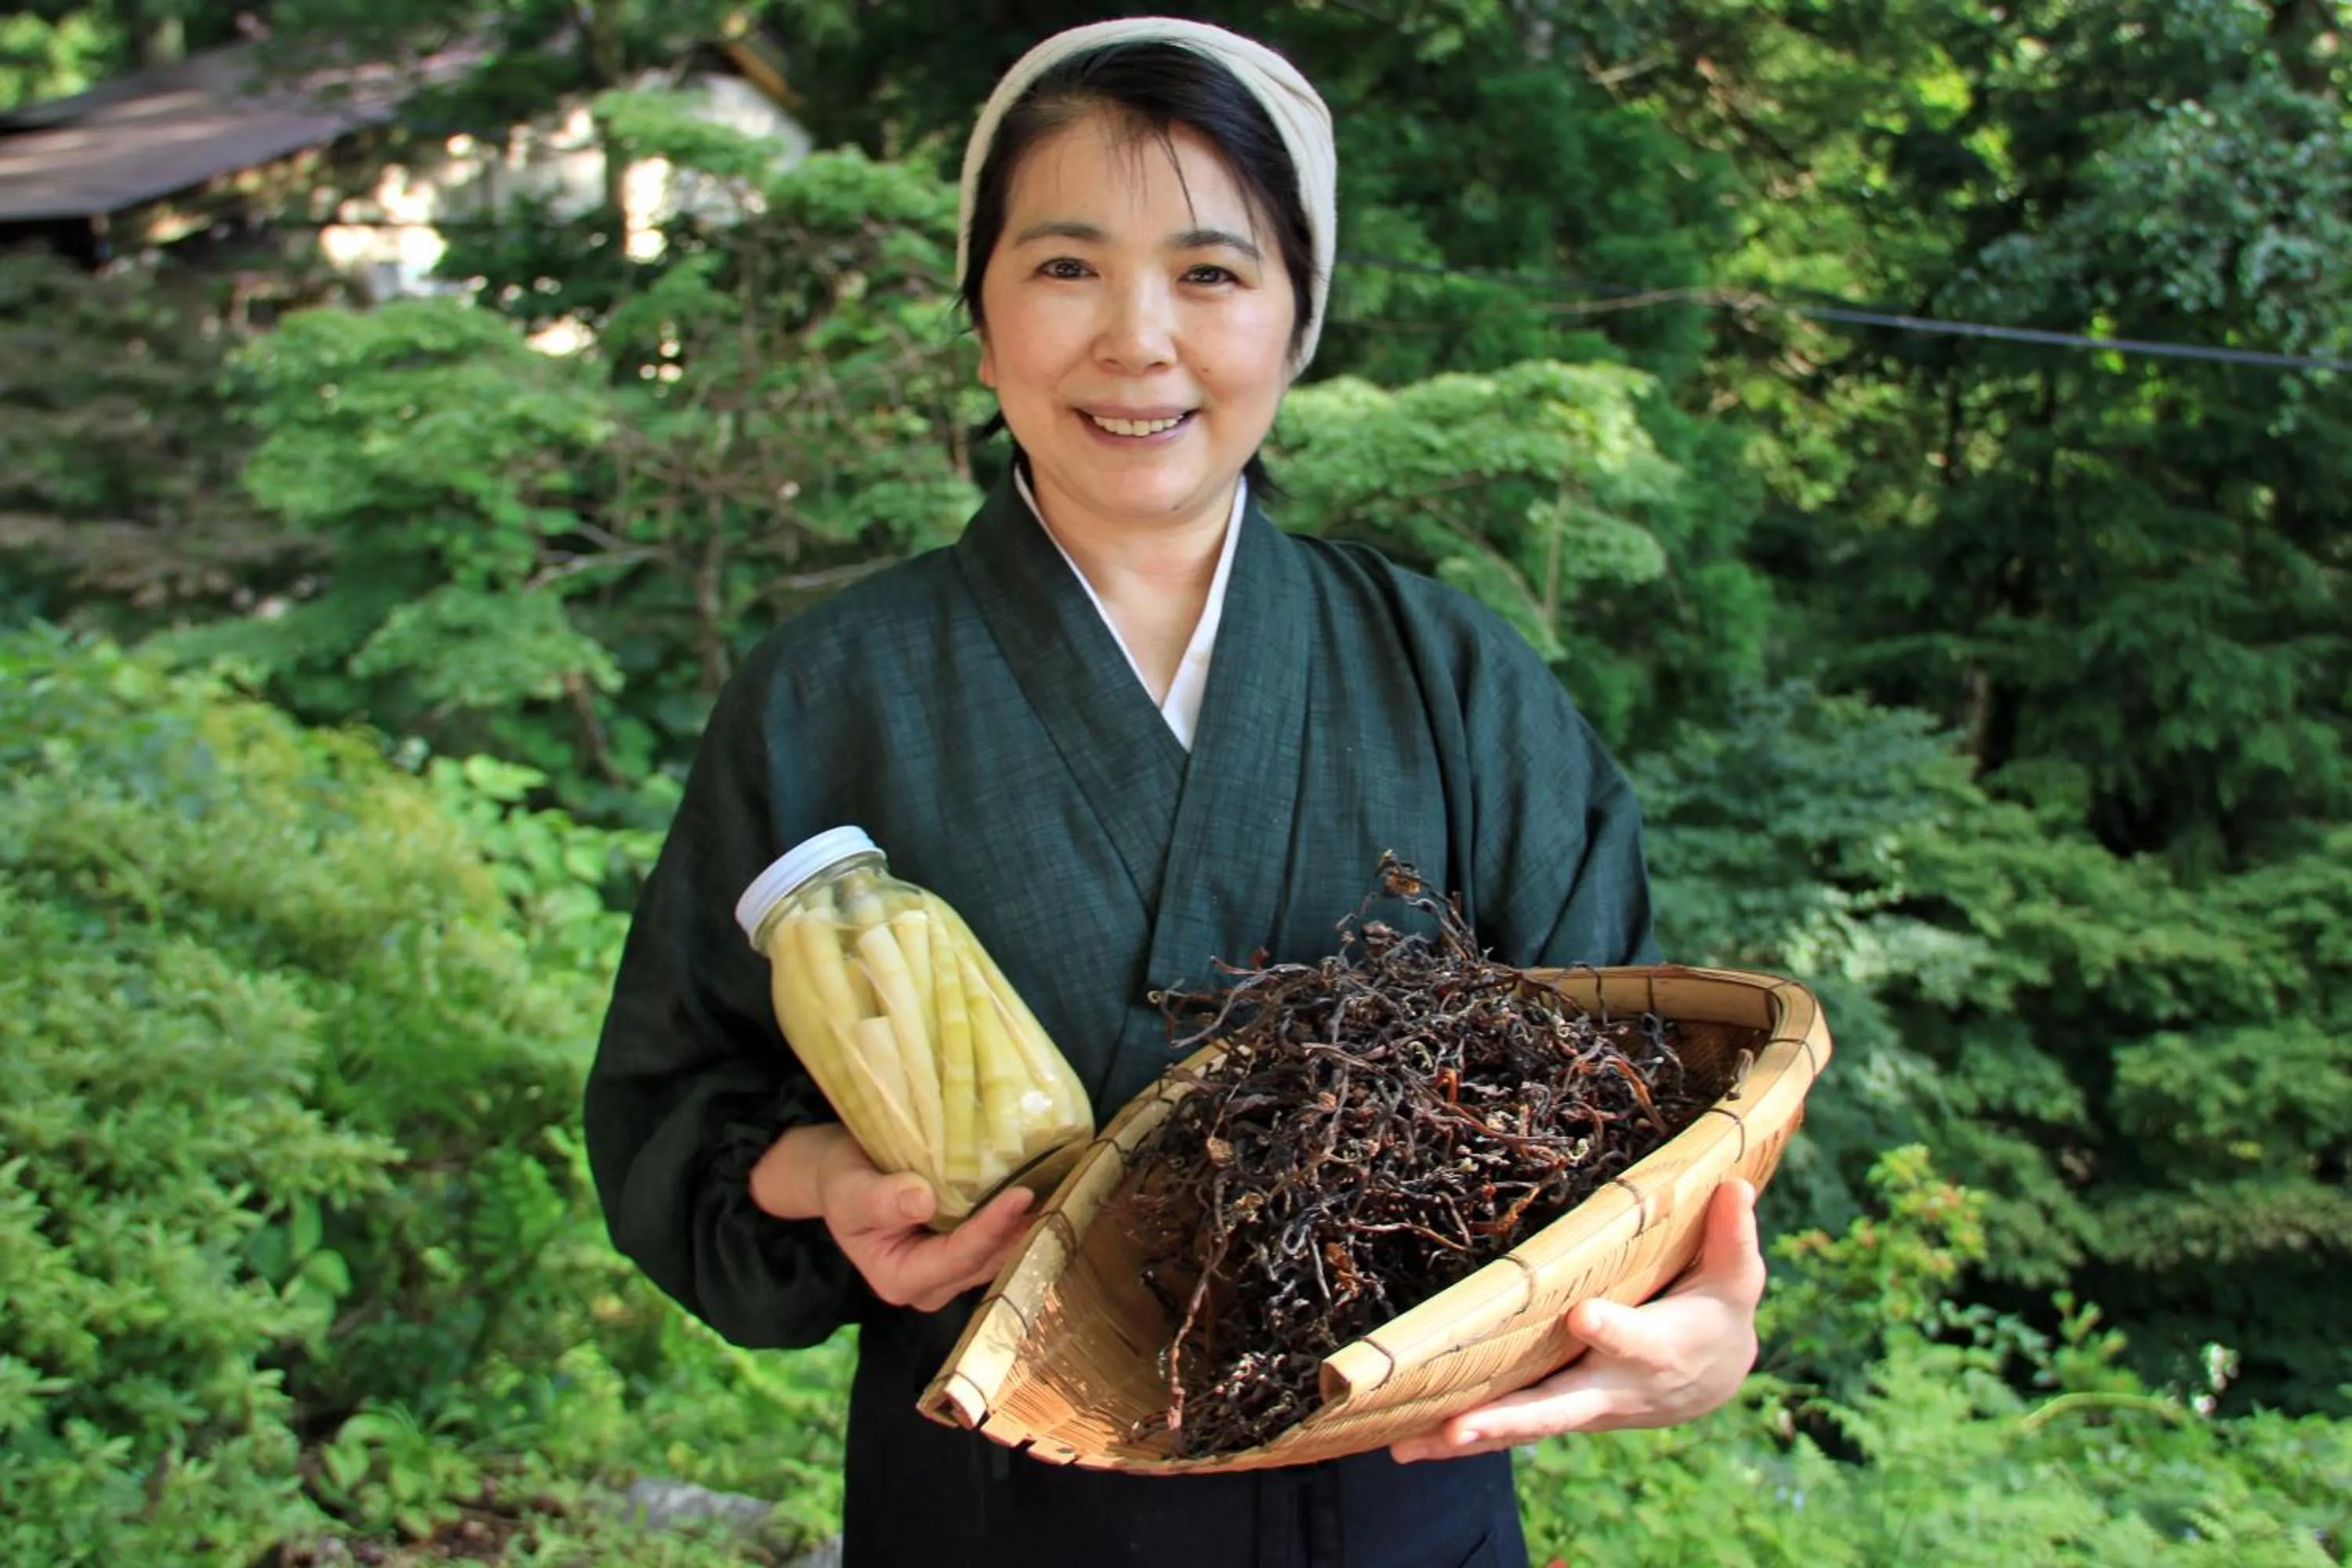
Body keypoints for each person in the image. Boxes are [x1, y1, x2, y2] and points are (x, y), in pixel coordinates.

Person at [584, 17, 1765, 1567]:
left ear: (1297, 315)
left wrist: (1708, 1321)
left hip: (1399, 1520)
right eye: (1066, 266)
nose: (1137, 339)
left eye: (1211, 272)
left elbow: (1646, 1117)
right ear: (984, 308)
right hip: (995, 1522)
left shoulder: (1458, 681)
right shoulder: (831, 696)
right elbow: (676, 1110)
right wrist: (822, 1181)